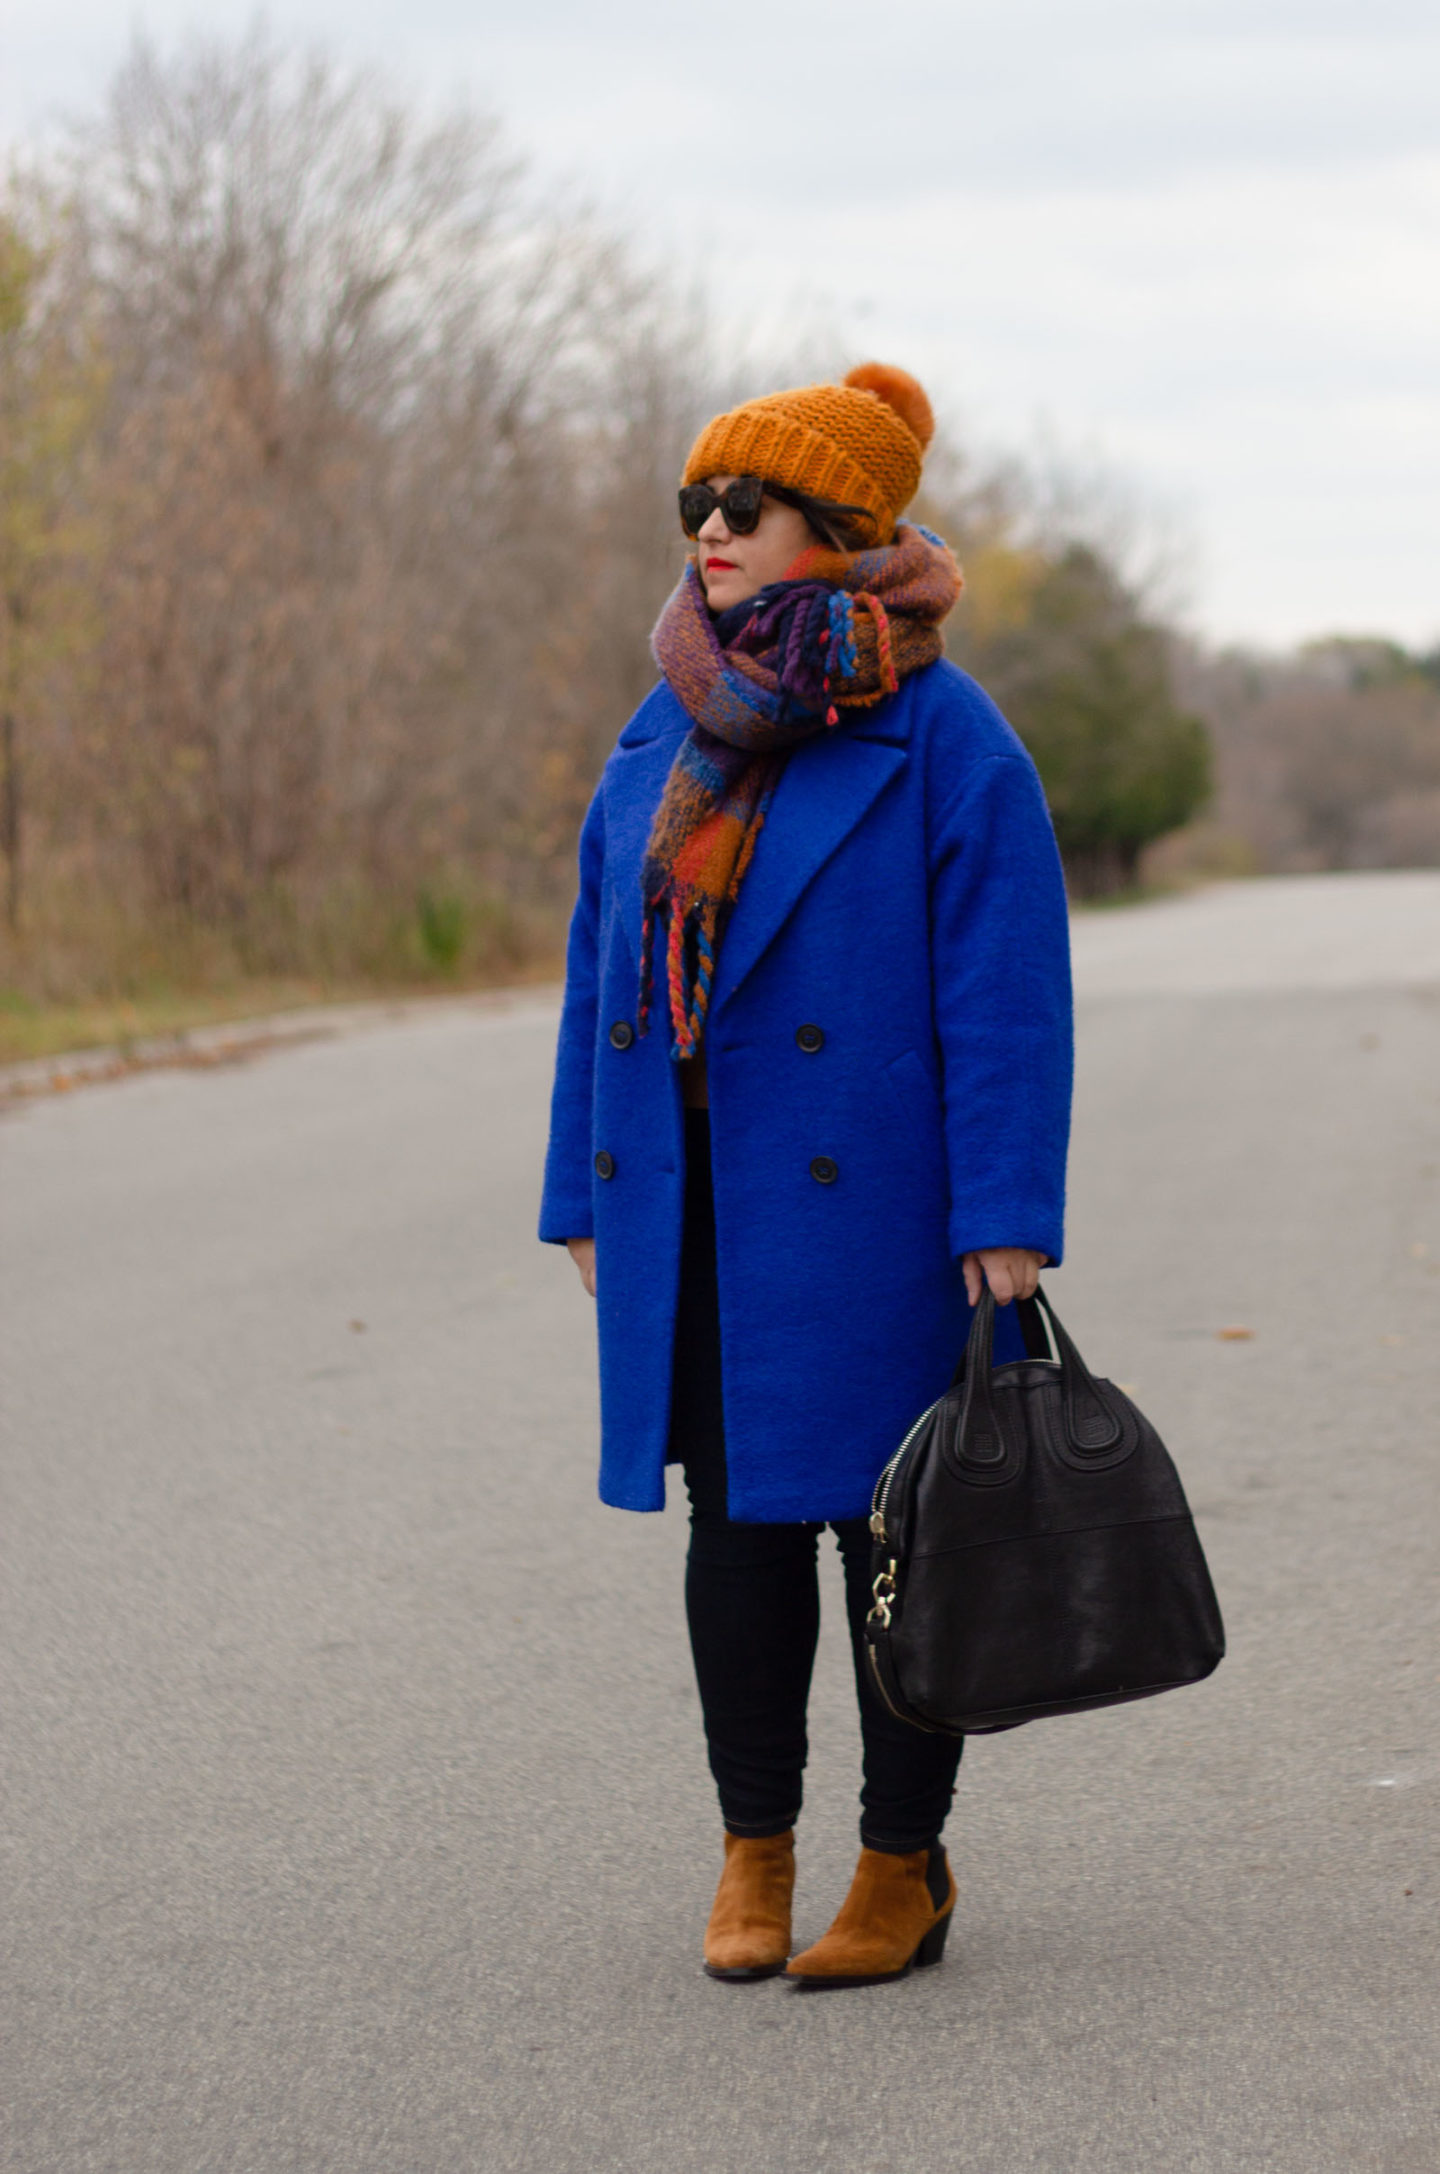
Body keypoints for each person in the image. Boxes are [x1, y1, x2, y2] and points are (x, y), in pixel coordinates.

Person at [539, 363, 1072, 1990]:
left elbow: (1005, 990)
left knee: (892, 1532)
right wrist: (583, 1182)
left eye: (741, 507)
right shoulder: (663, 721)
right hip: (699, 1195)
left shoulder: (945, 732)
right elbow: (595, 971)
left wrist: (1002, 1215)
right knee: (739, 1525)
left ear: (837, 530)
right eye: (693, 504)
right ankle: (751, 1853)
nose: (708, 531)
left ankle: (900, 1864)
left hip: (879, 1205)